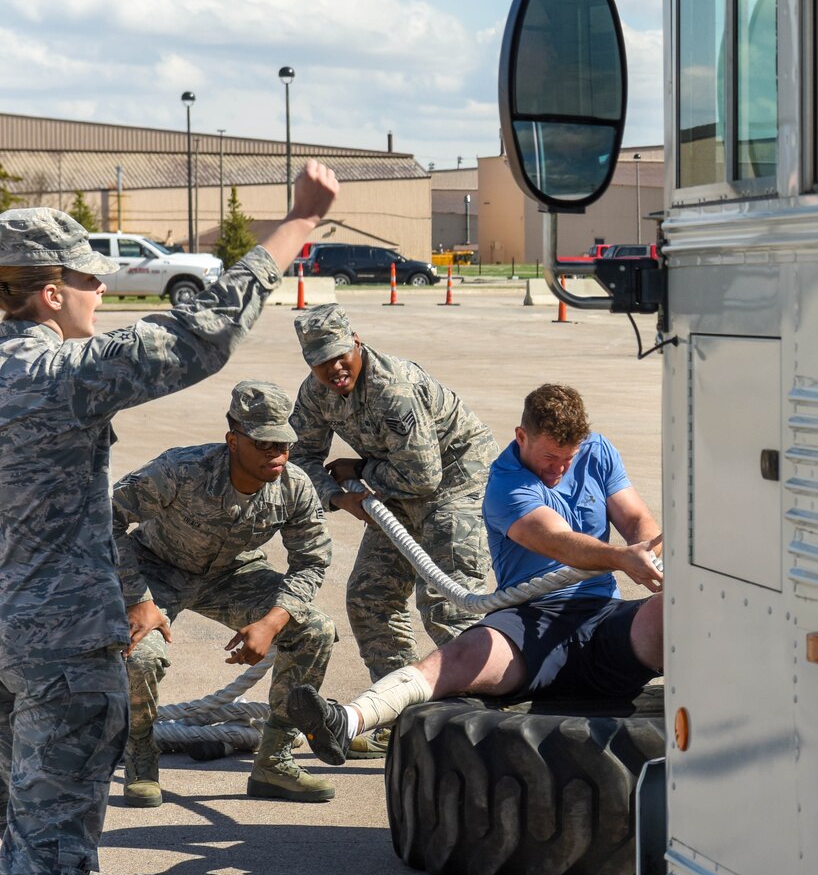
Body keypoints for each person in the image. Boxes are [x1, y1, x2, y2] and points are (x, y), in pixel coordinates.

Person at [0, 165, 338, 875]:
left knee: (26, 822)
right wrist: (294, 225)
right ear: (50, 290)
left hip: (3, 640)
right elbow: (204, 330)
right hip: (62, 647)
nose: (105, 294)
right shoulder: (56, 373)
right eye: (93, 281)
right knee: (54, 838)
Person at [290, 383, 662, 761]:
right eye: (551, 457)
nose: (561, 468)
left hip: (601, 612)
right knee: (457, 658)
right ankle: (347, 720)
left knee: (677, 609)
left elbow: (635, 518)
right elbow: (557, 541)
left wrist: (648, 553)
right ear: (522, 437)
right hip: (529, 622)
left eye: (569, 457)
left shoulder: (597, 451)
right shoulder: (504, 482)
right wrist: (620, 556)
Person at [116, 379, 339, 808]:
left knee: (314, 630)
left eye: (284, 443)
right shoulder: (180, 470)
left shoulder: (293, 485)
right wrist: (137, 598)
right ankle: (141, 756)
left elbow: (311, 560)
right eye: (264, 443)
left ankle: (274, 762)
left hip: (232, 573)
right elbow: (104, 519)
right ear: (233, 440)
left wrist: (272, 622)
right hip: (156, 568)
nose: (278, 454)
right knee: (139, 654)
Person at [287, 303, 496, 755]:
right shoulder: (315, 393)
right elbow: (299, 459)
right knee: (369, 596)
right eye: (321, 361)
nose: (333, 368)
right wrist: (339, 496)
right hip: (395, 486)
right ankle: (402, 714)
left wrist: (361, 468)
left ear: (356, 342)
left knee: (449, 604)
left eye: (340, 355)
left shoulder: (392, 388)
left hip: (456, 480)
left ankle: (483, 725)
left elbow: (424, 477)